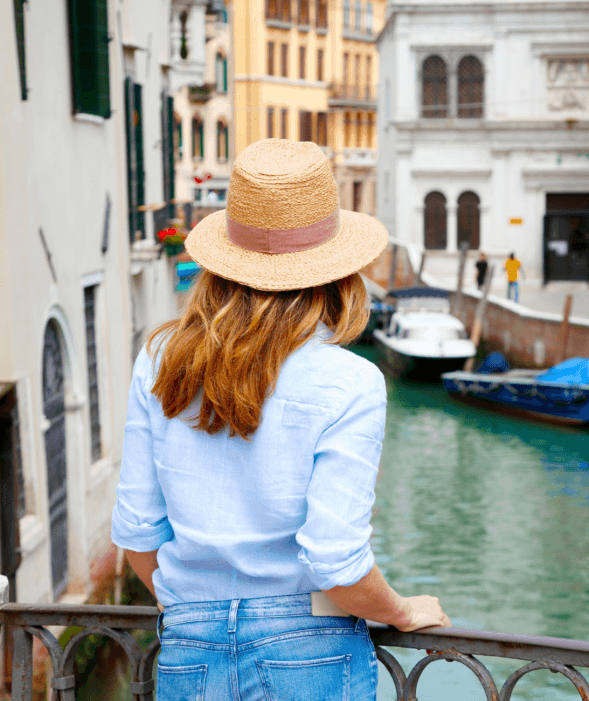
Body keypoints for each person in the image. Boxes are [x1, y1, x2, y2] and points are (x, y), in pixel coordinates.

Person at [111, 140, 450, 701]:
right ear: (338, 273)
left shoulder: (159, 359)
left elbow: (137, 533)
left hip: (189, 646)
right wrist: (401, 610)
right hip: (309, 648)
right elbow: (334, 561)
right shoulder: (352, 381)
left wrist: (205, 611)